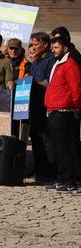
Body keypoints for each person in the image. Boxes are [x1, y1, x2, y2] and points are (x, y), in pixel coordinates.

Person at [44, 36, 81, 193]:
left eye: (56, 47)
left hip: (64, 111)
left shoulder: (70, 65)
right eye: (52, 47)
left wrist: (77, 108)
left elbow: (76, 88)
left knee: (65, 147)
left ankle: (70, 180)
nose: (53, 50)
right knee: (57, 147)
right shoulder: (58, 64)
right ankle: (61, 178)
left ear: (65, 48)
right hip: (53, 110)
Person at [28, 32, 57, 183]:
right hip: (34, 105)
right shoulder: (36, 61)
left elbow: (50, 82)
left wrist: (35, 83)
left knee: (47, 140)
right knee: (36, 137)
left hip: (46, 105)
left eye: (35, 44)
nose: (33, 47)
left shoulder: (51, 60)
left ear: (45, 44)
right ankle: (39, 170)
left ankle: (50, 172)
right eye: (32, 44)